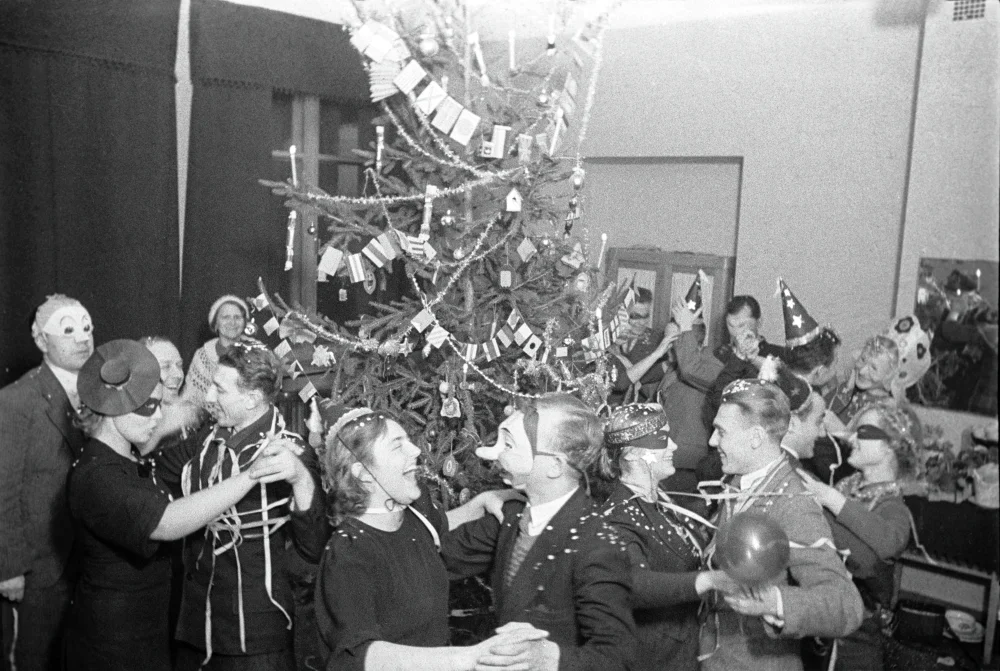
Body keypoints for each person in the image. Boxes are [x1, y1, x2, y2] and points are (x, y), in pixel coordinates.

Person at [64, 340, 299, 671]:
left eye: (160, 405)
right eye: (148, 407)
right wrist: (251, 475)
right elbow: (168, 522)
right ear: (113, 407)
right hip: (113, 642)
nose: (158, 416)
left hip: (148, 631)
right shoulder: (97, 476)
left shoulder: (129, 458)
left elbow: (192, 447)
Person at [313, 402, 545, 671]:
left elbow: (439, 527)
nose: (415, 450)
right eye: (397, 445)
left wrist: (480, 502)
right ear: (364, 474)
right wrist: (468, 658)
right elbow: (358, 654)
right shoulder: (349, 552)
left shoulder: (411, 518)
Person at [156, 339, 328, 669]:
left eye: (219, 390)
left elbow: (313, 547)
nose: (207, 398)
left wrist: (302, 480)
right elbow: (158, 476)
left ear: (251, 398)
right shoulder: (204, 440)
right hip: (195, 629)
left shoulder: (290, 452)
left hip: (255, 638)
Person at [443, 393, 638, 671]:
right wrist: (476, 505)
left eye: (509, 445)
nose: (490, 454)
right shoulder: (509, 518)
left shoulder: (596, 544)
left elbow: (618, 655)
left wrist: (553, 659)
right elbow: (433, 560)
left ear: (555, 466)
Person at [700, 378, 863, 671]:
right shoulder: (740, 481)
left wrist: (776, 602)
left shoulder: (793, 503)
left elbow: (847, 605)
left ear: (755, 438)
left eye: (721, 432)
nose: (712, 441)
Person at [596, 403, 738, 671]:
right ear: (632, 454)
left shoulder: (660, 499)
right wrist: (706, 581)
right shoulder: (618, 518)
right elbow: (632, 584)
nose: (673, 446)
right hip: (656, 659)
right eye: (663, 439)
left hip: (685, 647)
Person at [0, 295, 93, 671]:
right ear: (41, 341)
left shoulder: (101, 392)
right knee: (32, 659)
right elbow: (2, 491)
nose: (82, 338)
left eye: (86, 328)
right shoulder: (16, 400)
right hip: (38, 565)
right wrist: (9, 567)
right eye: (68, 330)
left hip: (86, 560)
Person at [798, 401, 918, 671]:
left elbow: (888, 542)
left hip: (858, 636)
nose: (852, 438)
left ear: (889, 447)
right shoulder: (847, 484)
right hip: (827, 613)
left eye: (863, 432)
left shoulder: (894, 507)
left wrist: (832, 499)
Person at [661, 274, 725, 500]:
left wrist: (685, 327)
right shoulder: (672, 368)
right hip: (666, 462)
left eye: (672, 344)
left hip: (689, 466)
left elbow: (690, 370)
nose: (666, 350)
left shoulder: (711, 366)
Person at [703, 295, 787, 432]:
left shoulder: (777, 354)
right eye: (730, 325)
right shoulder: (720, 354)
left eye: (742, 325)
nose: (736, 332)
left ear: (759, 322)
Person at [610, 288, 678, 400]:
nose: (641, 322)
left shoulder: (658, 341)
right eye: (635, 317)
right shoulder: (607, 338)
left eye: (645, 316)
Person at [183, 295, 250, 409]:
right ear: (216, 323)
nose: (232, 322)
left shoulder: (256, 352)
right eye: (225, 317)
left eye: (237, 317)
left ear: (244, 322)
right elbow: (190, 398)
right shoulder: (202, 356)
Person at [140, 336, 204, 454]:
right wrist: (163, 428)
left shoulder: (195, 415)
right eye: (165, 366)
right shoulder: (131, 418)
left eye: (179, 365)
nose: (178, 375)